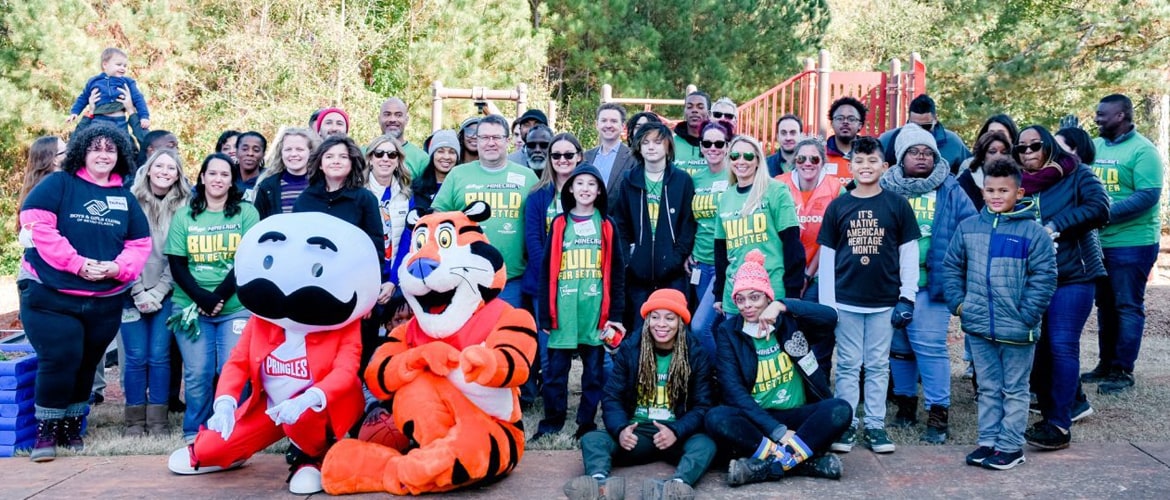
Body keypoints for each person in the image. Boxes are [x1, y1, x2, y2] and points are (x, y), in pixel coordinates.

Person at [18, 124, 152, 461]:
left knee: (86, 361)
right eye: (96, 147)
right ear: (82, 151)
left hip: (103, 300)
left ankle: (71, 428)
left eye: (111, 148)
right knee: (60, 358)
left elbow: (139, 244)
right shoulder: (58, 184)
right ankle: (46, 433)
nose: (104, 154)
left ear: (120, 155)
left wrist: (116, 268)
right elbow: (37, 226)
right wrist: (76, 263)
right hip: (51, 294)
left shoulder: (124, 197)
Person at [942, 157, 1058, 470]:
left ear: (1018, 193)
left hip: (1018, 329)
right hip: (979, 327)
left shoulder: (1032, 233)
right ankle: (989, 442)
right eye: (990, 189)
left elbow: (1045, 276)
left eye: (1003, 190)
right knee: (989, 389)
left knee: (1015, 390)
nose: (996, 195)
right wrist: (960, 304)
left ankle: (1010, 447)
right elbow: (952, 266)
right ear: (982, 191)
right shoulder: (969, 228)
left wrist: (1028, 313)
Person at [704, 250, 849, 486]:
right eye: (741, 299)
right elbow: (733, 392)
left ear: (767, 298)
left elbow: (830, 317)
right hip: (759, 421)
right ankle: (801, 460)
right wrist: (777, 430)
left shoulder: (789, 322)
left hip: (799, 416)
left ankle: (768, 465)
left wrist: (783, 305)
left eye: (755, 297)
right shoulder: (728, 332)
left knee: (840, 409)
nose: (747, 305)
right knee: (715, 417)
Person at [818, 136, 920, 454]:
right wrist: (827, 305)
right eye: (859, 162)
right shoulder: (839, 206)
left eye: (872, 161)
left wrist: (907, 296)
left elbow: (909, 253)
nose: (866, 167)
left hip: (884, 301)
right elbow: (826, 257)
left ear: (884, 166)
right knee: (848, 364)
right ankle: (847, 423)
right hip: (846, 301)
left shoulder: (897, 205)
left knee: (877, 365)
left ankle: (875, 424)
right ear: (850, 167)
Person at [1011, 125, 1108, 451]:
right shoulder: (1019, 184)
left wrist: (1055, 226)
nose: (1027, 153)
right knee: (1038, 348)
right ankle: (1052, 413)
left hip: (1073, 275)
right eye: (1020, 148)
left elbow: (1100, 208)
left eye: (1034, 146)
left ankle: (1059, 425)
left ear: (1049, 146)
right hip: (1034, 278)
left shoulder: (1077, 173)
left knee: (1062, 345)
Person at [565, 289, 715, 500]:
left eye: (670, 318)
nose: (661, 324)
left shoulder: (695, 353)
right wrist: (621, 429)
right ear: (647, 319)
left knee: (705, 444)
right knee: (592, 439)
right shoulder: (631, 349)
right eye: (655, 317)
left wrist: (677, 430)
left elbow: (702, 406)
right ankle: (600, 485)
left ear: (681, 321)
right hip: (637, 433)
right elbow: (612, 396)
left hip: (673, 434)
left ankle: (676, 486)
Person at [880, 124, 977, 444]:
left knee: (930, 346)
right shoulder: (886, 188)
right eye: (914, 152)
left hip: (933, 282)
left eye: (927, 152)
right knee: (899, 348)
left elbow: (970, 229)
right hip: (892, 284)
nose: (921, 157)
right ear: (900, 157)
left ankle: (938, 412)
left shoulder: (949, 188)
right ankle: (906, 404)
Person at [166, 153, 260, 443]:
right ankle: (196, 431)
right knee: (197, 373)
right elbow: (177, 263)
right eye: (213, 173)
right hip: (190, 306)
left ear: (233, 181)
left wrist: (218, 296)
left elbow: (249, 258)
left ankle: (235, 428)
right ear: (203, 177)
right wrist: (201, 298)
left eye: (225, 174)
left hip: (236, 306)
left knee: (231, 370)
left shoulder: (246, 213)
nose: (218, 179)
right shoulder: (184, 215)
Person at [535, 164, 626, 441]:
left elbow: (618, 273)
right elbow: (546, 271)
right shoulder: (560, 224)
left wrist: (616, 313)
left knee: (593, 374)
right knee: (555, 374)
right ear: (570, 188)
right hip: (562, 312)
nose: (585, 189)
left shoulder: (607, 226)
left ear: (599, 190)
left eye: (591, 184)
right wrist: (545, 316)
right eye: (580, 183)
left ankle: (586, 422)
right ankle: (552, 421)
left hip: (595, 313)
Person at [1084, 94, 1164, 396]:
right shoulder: (1097, 146)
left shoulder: (1144, 151)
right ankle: (1106, 363)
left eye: (1102, 114)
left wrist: (1102, 213)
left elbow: (1147, 196)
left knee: (1127, 305)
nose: (1097, 118)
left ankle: (1123, 369)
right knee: (1104, 305)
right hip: (1099, 243)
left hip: (1133, 243)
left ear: (1120, 116)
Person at [293, 135, 388, 366]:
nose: (336, 161)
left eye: (343, 156)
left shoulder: (364, 199)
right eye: (330, 156)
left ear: (352, 162)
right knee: (316, 360)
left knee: (351, 362)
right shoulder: (305, 199)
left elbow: (375, 249)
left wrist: (367, 299)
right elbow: (296, 248)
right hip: (312, 290)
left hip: (351, 293)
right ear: (320, 162)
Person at [432, 114, 538, 307]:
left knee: (509, 336)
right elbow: (437, 218)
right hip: (464, 280)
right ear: (477, 141)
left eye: (496, 137)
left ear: (507, 141)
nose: (491, 143)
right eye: (484, 137)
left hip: (512, 280)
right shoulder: (458, 174)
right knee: (469, 337)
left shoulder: (528, 177)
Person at [122, 148, 192, 437]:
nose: (165, 171)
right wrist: (139, 292)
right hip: (130, 289)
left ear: (178, 175)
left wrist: (159, 291)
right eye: (159, 166)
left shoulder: (186, 205)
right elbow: (122, 248)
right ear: (148, 169)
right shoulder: (128, 200)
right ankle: (134, 421)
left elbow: (180, 255)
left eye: (171, 168)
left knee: (160, 355)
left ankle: (159, 419)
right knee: (136, 356)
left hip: (168, 291)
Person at [610, 121, 697, 333]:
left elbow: (688, 223)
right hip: (638, 275)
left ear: (668, 146)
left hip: (673, 274)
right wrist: (629, 258)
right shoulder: (629, 181)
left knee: (673, 331)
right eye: (646, 142)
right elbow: (621, 225)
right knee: (641, 330)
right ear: (638, 146)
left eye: (658, 142)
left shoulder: (682, 180)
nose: (651, 147)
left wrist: (677, 257)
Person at [522, 132, 584, 408]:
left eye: (568, 155)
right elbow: (533, 240)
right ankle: (553, 404)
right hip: (544, 283)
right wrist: (551, 276)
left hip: (581, 280)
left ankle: (588, 402)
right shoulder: (538, 195)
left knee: (583, 344)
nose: (562, 160)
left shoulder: (588, 190)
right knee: (548, 347)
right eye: (556, 155)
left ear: (579, 157)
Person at [712, 135, 803, 318]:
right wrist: (719, 292)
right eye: (735, 156)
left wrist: (792, 293)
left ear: (758, 160)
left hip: (770, 294)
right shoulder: (725, 197)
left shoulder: (776, 190)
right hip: (735, 294)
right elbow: (721, 250)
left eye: (748, 156)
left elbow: (792, 244)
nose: (741, 161)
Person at [686, 121, 733, 355]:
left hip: (725, 264)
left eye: (718, 143)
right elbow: (689, 221)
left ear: (727, 146)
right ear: (701, 147)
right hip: (700, 262)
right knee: (711, 328)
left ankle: (725, 376)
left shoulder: (734, 175)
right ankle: (714, 384)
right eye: (707, 143)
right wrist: (687, 251)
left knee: (700, 327)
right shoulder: (695, 179)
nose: (712, 148)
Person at [365, 133, 413, 302]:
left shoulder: (406, 195)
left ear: (398, 161)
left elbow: (408, 238)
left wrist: (393, 281)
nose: (385, 158)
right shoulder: (358, 193)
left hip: (396, 278)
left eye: (392, 154)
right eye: (379, 153)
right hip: (364, 279)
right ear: (370, 159)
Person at [879, 94, 971, 172]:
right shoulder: (888, 140)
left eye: (925, 126)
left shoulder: (953, 142)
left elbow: (970, 171)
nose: (920, 131)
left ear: (935, 119)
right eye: (914, 126)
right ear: (908, 120)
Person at [68, 47, 151, 130]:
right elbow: (83, 98)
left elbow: (138, 98)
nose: (123, 68)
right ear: (105, 65)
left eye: (125, 66)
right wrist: (75, 112)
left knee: (123, 140)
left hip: (119, 121)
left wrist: (144, 116)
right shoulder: (94, 81)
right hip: (98, 120)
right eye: (118, 64)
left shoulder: (127, 82)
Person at [252, 128, 322, 219]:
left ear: (310, 152)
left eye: (299, 149)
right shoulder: (268, 186)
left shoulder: (322, 184)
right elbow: (259, 223)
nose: (293, 154)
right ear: (281, 153)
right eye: (288, 149)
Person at [15, 136, 66, 232]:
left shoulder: (40, 188)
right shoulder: (50, 190)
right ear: (55, 160)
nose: (71, 154)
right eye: (65, 151)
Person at [584, 103, 637, 192]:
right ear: (596, 124)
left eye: (614, 121)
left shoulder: (633, 158)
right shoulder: (586, 157)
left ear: (623, 126)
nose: (608, 125)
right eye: (604, 120)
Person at [956, 131, 1013, 212]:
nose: (998, 156)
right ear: (982, 155)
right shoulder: (967, 179)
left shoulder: (1015, 177)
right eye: (992, 152)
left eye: (1004, 152)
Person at [409, 129, 461, 212]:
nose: (446, 157)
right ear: (432, 155)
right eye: (440, 151)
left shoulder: (462, 185)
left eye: (452, 152)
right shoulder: (417, 187)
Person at [379, 97, 429, 177]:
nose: (392, 119)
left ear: (406, 120)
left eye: (398, 115)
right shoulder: (364, 154)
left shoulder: (422, 159)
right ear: (379, 119)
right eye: (387, 114)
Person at [825, 97, 866, 181]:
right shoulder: (820, 155)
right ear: (832, 123)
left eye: (851, 119)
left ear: (860, 125)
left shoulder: (869, 155)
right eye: (840, 118)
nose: (845, 122)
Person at [672, 91, 710, 172]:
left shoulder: (719, 144)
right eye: (689, 107)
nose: (694, 110)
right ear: (684, 112)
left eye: (700, 107)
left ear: (709, 113)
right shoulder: (671, 142)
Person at [234, 131, 267, 197]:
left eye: (256, 150)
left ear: (263, 154)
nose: (250, 153)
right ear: (236, 152)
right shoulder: (228, 176)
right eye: (245, 149)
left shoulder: (269, 179)